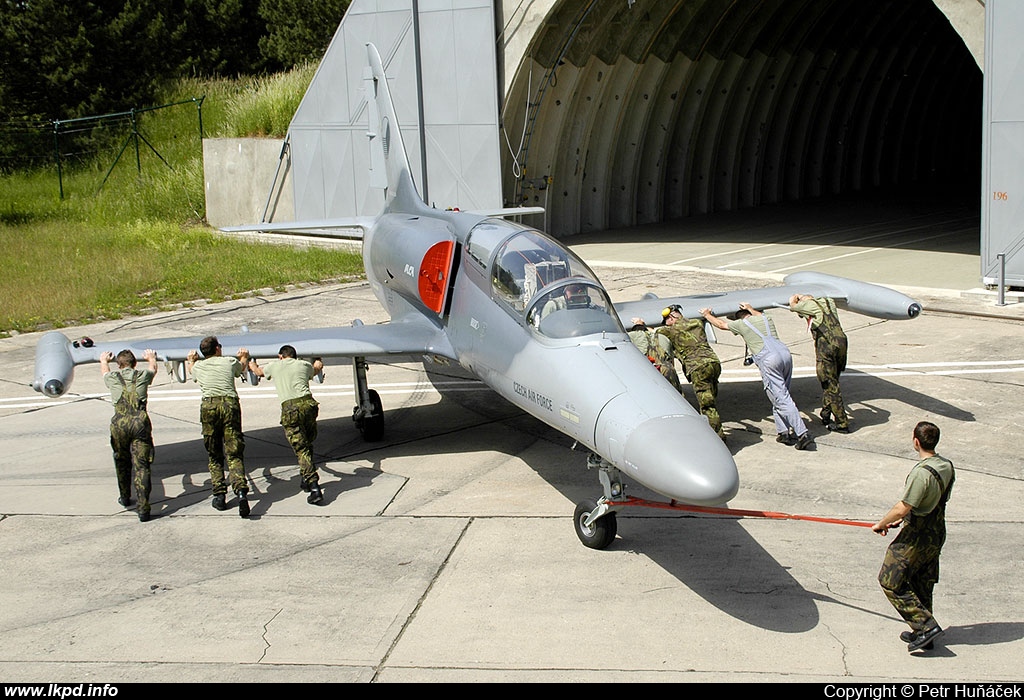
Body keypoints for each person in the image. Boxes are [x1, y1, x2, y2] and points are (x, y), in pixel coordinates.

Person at [872, 421, 955, 652]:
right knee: (922, 581)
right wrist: (906, 517)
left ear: (916, 441)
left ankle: (926, 626)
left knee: (890, 580)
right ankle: (923, 633)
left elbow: (903, 507)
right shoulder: (946, 465)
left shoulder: (921, 473)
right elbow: (931, 501)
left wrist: (882, 523)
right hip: (936, 532)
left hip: (917, 536)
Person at [701, 303, 811, 450]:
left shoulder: (741, 324)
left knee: (781, 397)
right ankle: (783, 432)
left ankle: (803, 434)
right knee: (780, 394)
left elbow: (721, 325)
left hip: (769, 359)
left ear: (738, 317)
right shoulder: (765, 318)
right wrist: (750, 307)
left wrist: (707, 315)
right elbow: (757, 314)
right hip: (785, 355)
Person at [248, 346, 325, 505]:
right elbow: (316, 368)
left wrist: (251, 363)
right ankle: (305, 476)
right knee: (307, 443)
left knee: (301, 448)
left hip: (291, 409)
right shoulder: (303, 365)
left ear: (280, 356)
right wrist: (318, 359)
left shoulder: (275, 365)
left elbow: (258, 372)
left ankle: (314, 486)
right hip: (309, 405)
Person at [187, 336, 252, 517]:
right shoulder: (229, 362)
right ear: (217, 349)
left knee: (214, 454)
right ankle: (240, 493)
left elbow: (192, 371)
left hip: (209, 407)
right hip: (230, 405)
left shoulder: (199, 366)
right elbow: (241, 367)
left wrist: (191, 361)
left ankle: (219, 495)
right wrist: (244, 356)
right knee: (234, 452)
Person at [101, 348, 158, 522]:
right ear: (134, 364)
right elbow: (153, 369)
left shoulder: (112, 378)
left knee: (121, 460)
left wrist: (104, 361)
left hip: (119, 423)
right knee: (142, 466)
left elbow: (104, 373)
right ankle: (144, 508)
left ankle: (125, 496)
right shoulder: (142, 376)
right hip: (139, 422)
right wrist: (151, 358)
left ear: (119, 365)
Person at [654, 305, 725, 440]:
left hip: (698, 368)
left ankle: (718, 439)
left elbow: (657, 333)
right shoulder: (697, 323)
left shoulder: (669, 330)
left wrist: (640, 325)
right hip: (713, 363)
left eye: (666, 321)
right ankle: (716, 429)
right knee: (711, 399)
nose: (666, 324)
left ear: (670, 318)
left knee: (708, 407)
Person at [788, 294, 849, 432]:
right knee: (833, 380)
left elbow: (793, 306)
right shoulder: (828, 302)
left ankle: (842, 423)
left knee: (829, 384)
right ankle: (826, 413)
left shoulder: (810, 306)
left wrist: (794, 299)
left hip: (827, 346)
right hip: (841, 343)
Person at [627, 321, 682, 391]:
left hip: (649, 371)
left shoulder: (630, 336)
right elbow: (671, 361)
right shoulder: (662, 337)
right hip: (667, 369)